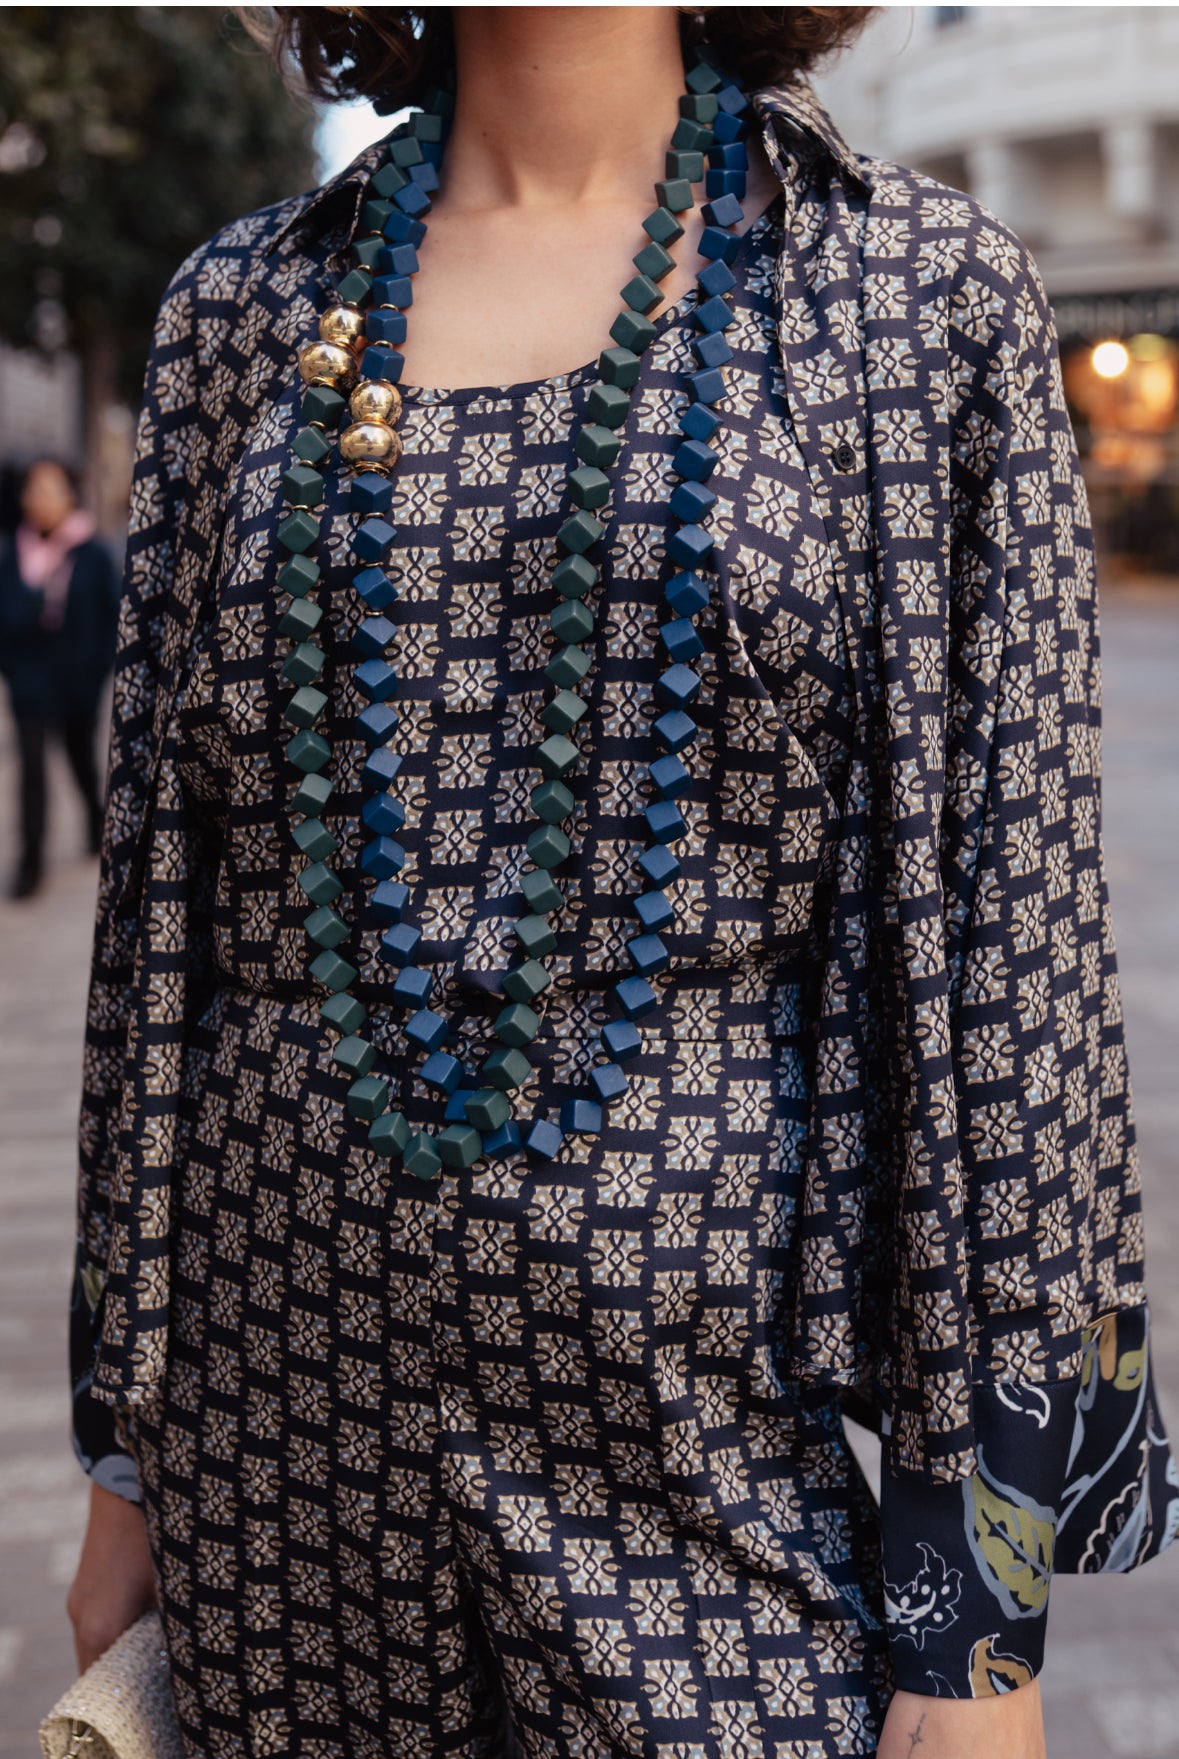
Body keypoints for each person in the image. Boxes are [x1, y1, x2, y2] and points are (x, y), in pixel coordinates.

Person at [64, 8, 1177, 1758]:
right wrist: (124, 1451)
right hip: (274, 1414)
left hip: (701, 1424)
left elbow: (1012, 939)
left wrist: (978, 1604)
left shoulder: (910, 288)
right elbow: (155, 915)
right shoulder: (247, 307)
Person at [0, 457, 119, 898]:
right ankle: (31, 862)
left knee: (79, 758)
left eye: (52, 490)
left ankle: (95, 820)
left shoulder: (91, 552)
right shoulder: (13, 553)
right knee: (32, 771)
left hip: (77, 682)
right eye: (35, 490)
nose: (42, 500)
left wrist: (95, 671)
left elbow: (110, 617)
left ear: (70, 497)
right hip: (30, 680)